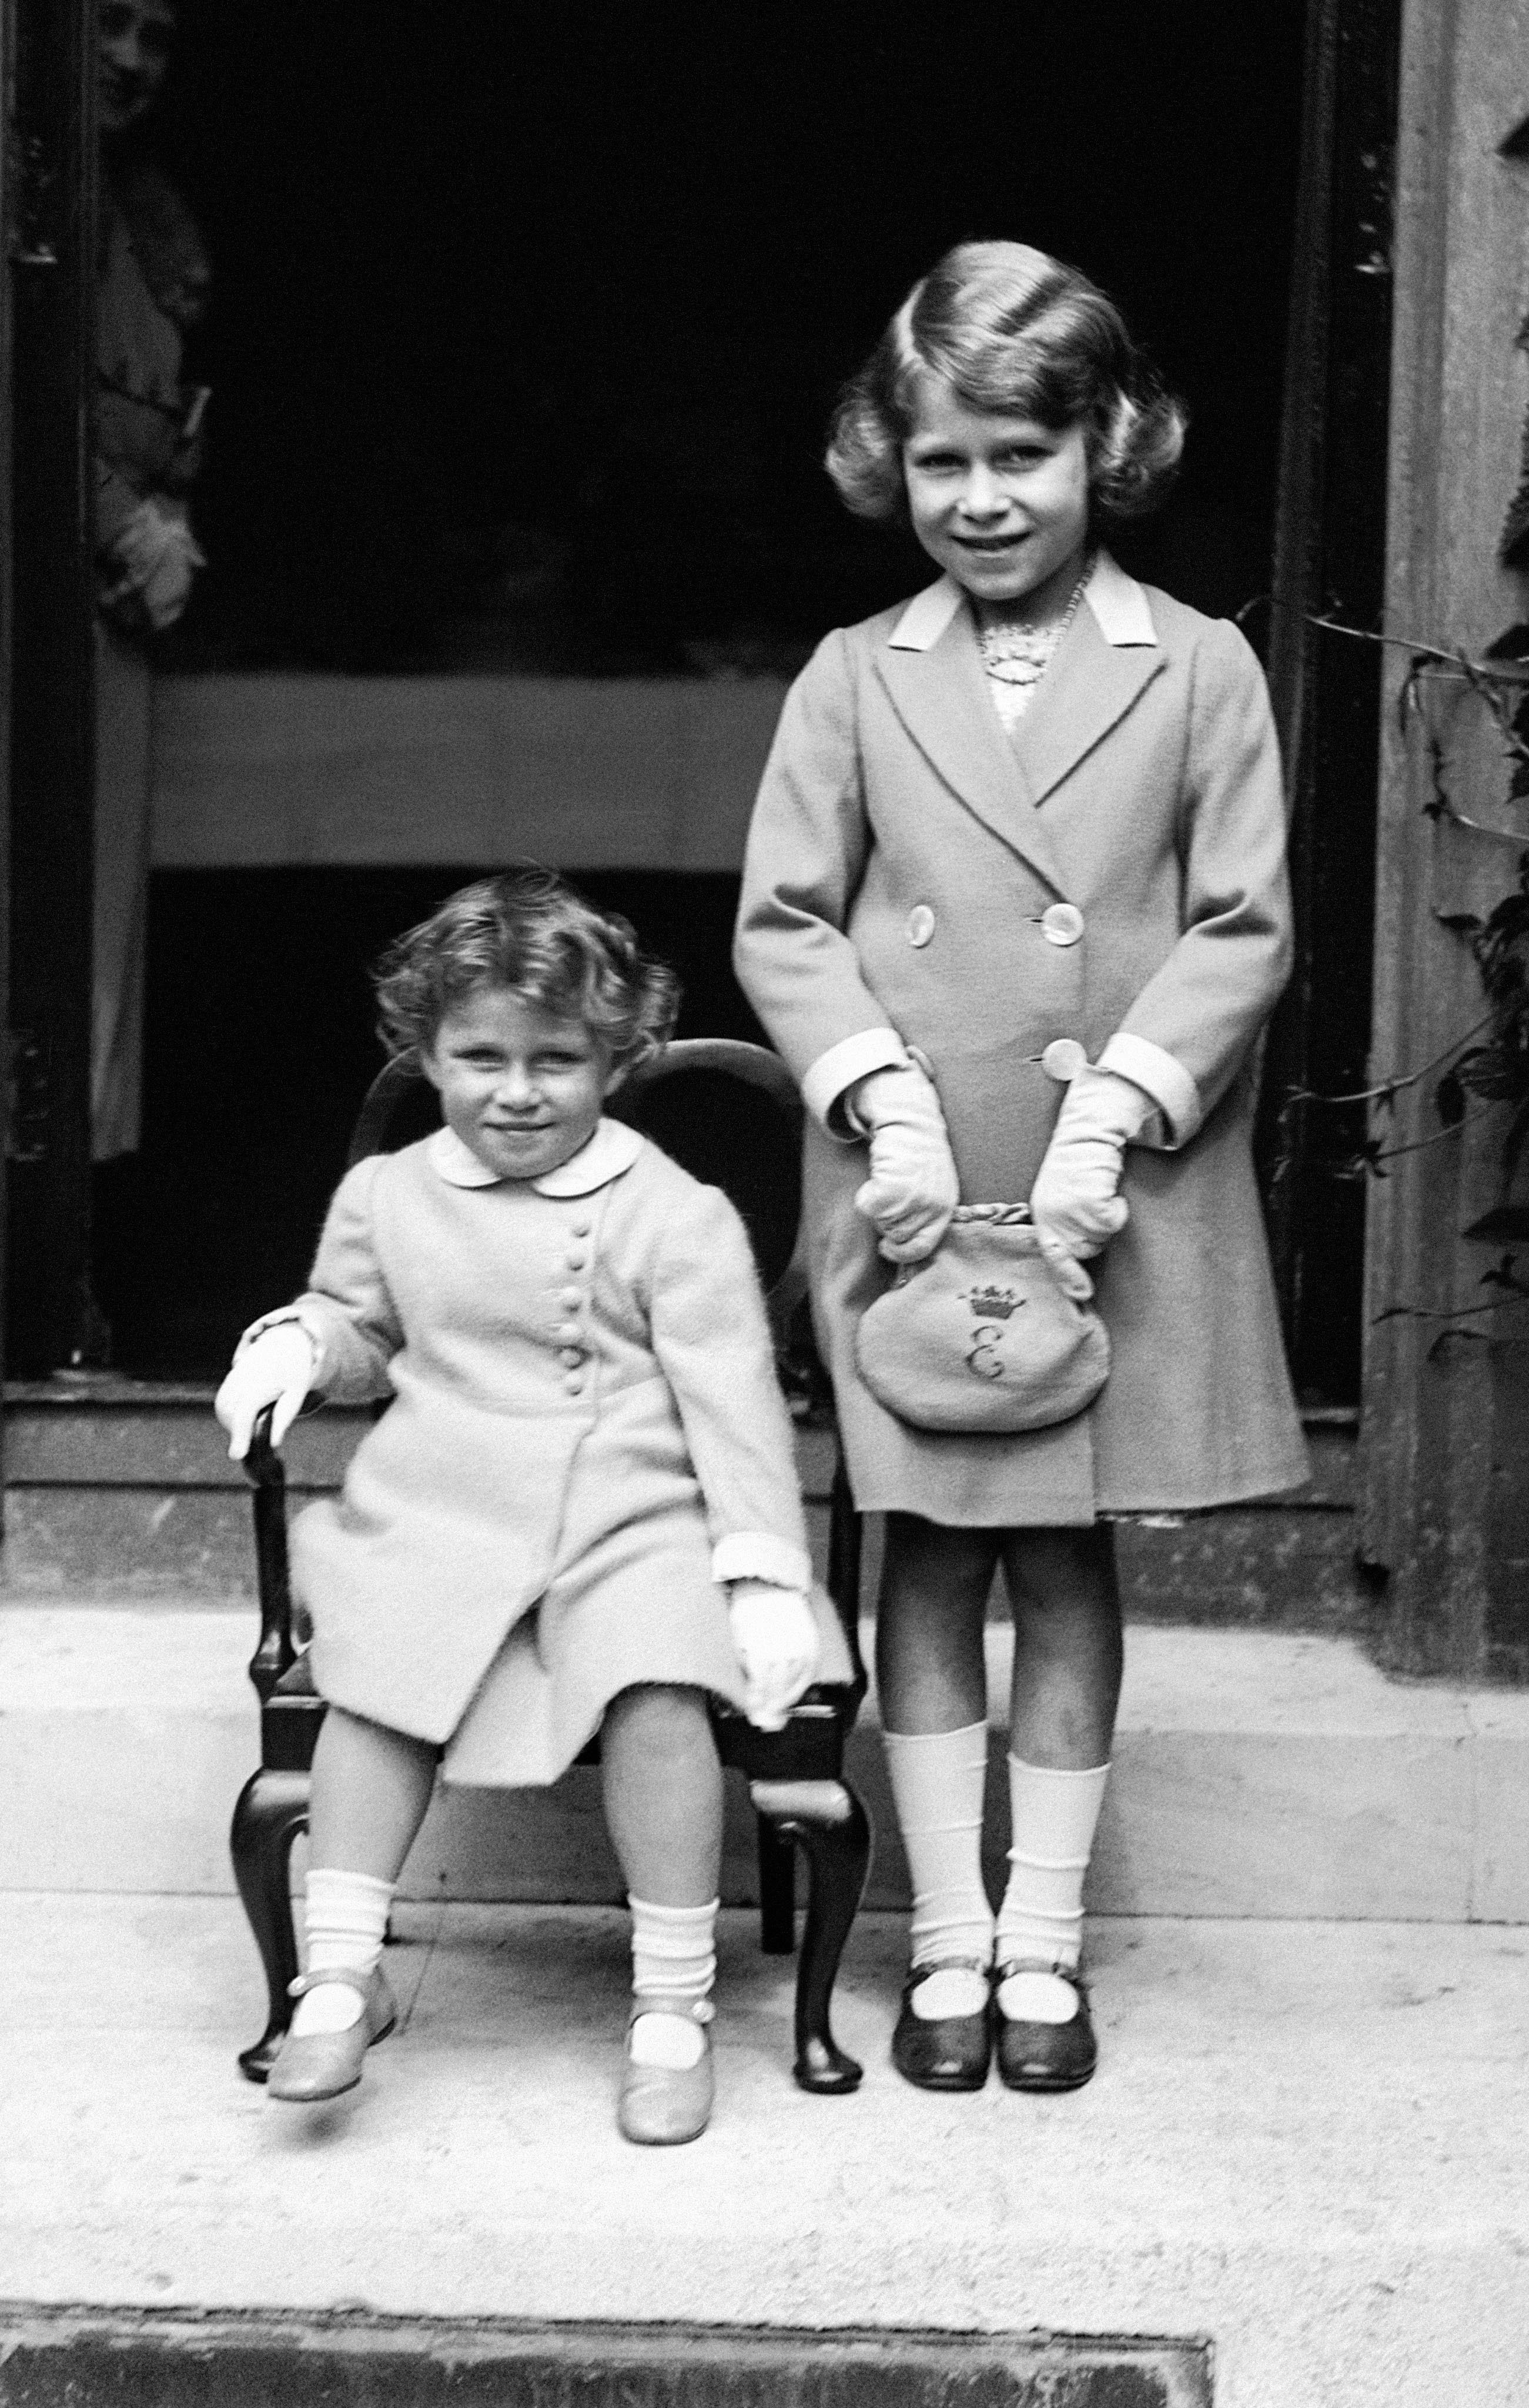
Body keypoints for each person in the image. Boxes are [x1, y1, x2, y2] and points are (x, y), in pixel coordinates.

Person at [735, 241, 1308, 2096]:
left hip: (1099, 1185)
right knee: (918, 1552)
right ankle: (946, 1944)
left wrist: (1117, 1106)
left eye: (1020, 457)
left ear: (1105, 448)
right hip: (920, 1182)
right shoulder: (849, 675)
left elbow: (1240, 926)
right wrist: (875, 1097)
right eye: (939, 463)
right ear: (884, 466)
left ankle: (1043, 1947)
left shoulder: (1197, 665)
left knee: (1062, 1557)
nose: (979, 500)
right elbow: (785, 920)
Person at [215, 872, 839, 2145]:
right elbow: (358, 1322)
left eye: (556, 1058)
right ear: (424, 1051)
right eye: (479, 1055)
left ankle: (672, 2003)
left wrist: (763, 1566)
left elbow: (729, 1398)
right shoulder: (387, 1195)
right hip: (441, 1494)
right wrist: (296, 1345)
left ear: (616, 1058)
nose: (516, 1089)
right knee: (376, 1679)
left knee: (661, 1685)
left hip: (634, 1502)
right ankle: (339, 1973)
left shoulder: (672, 1209)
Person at [95, 0, 210, 1162]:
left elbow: (163, 411)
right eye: (107, 25)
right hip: (42, 596)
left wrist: (168, 513)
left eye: (157, 38)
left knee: (93, 947)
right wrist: (124, 523)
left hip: (108, 617)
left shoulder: (141, 207)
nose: (130, 60)